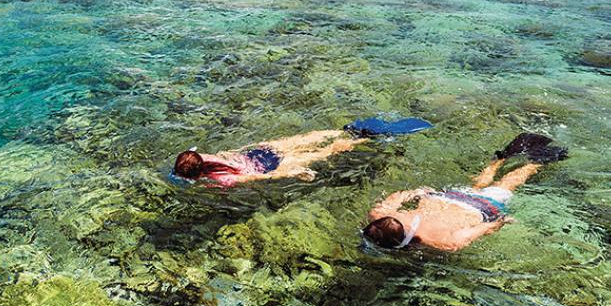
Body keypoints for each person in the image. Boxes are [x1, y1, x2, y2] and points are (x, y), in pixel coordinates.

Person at [362, 133, 568, 252]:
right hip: (445, 196)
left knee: (508, 184)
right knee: (478, 185)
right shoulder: (380, 215)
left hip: (480, 207)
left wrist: (501, 222)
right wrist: (417, 192)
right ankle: (499, 159)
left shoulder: (443, 242)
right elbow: (396, 197)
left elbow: (481, 229)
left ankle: (535, 163)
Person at [172, 117, 431, 187]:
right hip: (261, 151)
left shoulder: (221, 180)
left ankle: (364, 140)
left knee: (327, 153)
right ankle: (348, 130)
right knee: (309, 138)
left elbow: (258, 178)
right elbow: (232, 151)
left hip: (267, 166)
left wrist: (292, 173)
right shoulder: (201, 155)